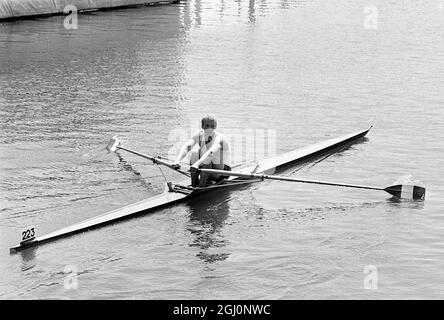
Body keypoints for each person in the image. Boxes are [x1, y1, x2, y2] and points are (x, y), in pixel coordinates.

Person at [172, 115, 231, 187]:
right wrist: (177, 161)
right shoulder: (199, 134)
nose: (210, 128)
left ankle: (200, 187)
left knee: (208, 156)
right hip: (209, 169)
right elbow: (187, 146)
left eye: (212, 126)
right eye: (207, 125)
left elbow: (211, 152)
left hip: (222, 172)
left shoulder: (219, 137)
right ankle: (194, 184)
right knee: (195, 153)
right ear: (202, 126)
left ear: (216, 127)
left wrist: (197, 164)